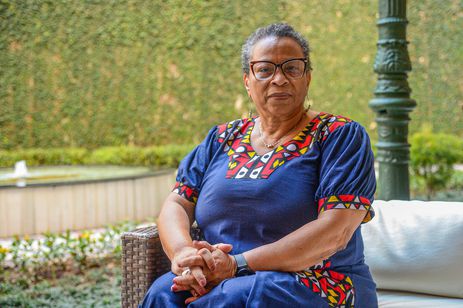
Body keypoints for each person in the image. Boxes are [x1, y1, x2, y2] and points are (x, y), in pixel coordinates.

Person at [140, 23, 378, 307]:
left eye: (291, 68)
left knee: (238, 296)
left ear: (307, 78)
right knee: (164, 292)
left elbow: (335, 232)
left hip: (316, 281)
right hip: (222, 275)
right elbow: (177, 203)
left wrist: (236, 264)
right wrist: (183, 254)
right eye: (265, 69)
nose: (279, 79)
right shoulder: (221, 138)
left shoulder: (339, 136)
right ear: (247, 81)